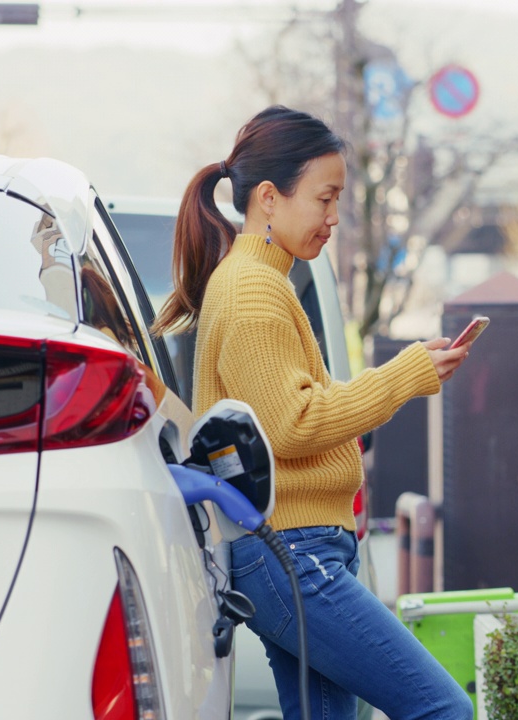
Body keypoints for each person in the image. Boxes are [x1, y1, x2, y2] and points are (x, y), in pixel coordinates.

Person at [152, 106, 473, 720]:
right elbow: (292, 424)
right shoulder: (252, 287)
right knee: (445, 710)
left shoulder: (261, 280)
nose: (333, 218)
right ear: (269, 198)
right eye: (324, 199)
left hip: (292, 551)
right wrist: (404, 376)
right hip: (292, 554)